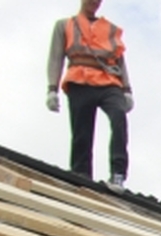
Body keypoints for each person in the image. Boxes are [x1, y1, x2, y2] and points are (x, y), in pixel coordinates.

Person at [46, 0, 133, 191]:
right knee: (82, 131)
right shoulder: (65, 25)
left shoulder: (110, 29)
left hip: (109, 81)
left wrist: (127, 90)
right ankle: (81, 175)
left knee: (119, 117)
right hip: (80, 79)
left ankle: (118, 174)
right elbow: (56, 57)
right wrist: (52, 89)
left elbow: (119, 60)